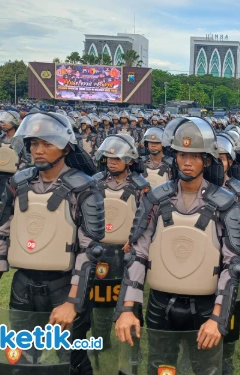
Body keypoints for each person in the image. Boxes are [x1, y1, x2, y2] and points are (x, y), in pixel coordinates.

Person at [0, 112, 105, 374]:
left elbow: (90, 250)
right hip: (23, 285)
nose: (38, 151)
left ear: (66, 147)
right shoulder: (18, 182)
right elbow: (1, 235)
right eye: (34, 144)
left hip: (64, 284)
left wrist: (72, 302)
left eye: (47, 144)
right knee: (20, 358)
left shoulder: (85, 188)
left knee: (72, 361)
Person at [114, 118, 240, 374]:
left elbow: (233, 264)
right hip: (161, 304)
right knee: (159, 367)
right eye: (182, 154)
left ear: (207, 161)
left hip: (206, 304)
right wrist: (128, 307)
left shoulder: (225, 203)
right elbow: (138, 254)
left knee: (206, 368)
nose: (187, 161)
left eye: (195, 156)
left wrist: (218, 317)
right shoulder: (155, 198)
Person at [91, 134, 149, 351]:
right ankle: (100, 340)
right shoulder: (95, 182)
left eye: (117, 158)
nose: (112, 162)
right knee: (101, 298)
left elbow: (146, 219)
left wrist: (133, 240)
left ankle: (132, 346)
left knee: (131, 297)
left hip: (128, 251)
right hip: (100, 250)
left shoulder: (141, 186)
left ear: (130, 160)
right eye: (108, 158)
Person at [217, 133, 240, 375]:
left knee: (229, 306)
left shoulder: (239, 190)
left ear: (230, 161)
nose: (218, 164)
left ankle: (226, 356)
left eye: (222, 159)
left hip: (230, 257)